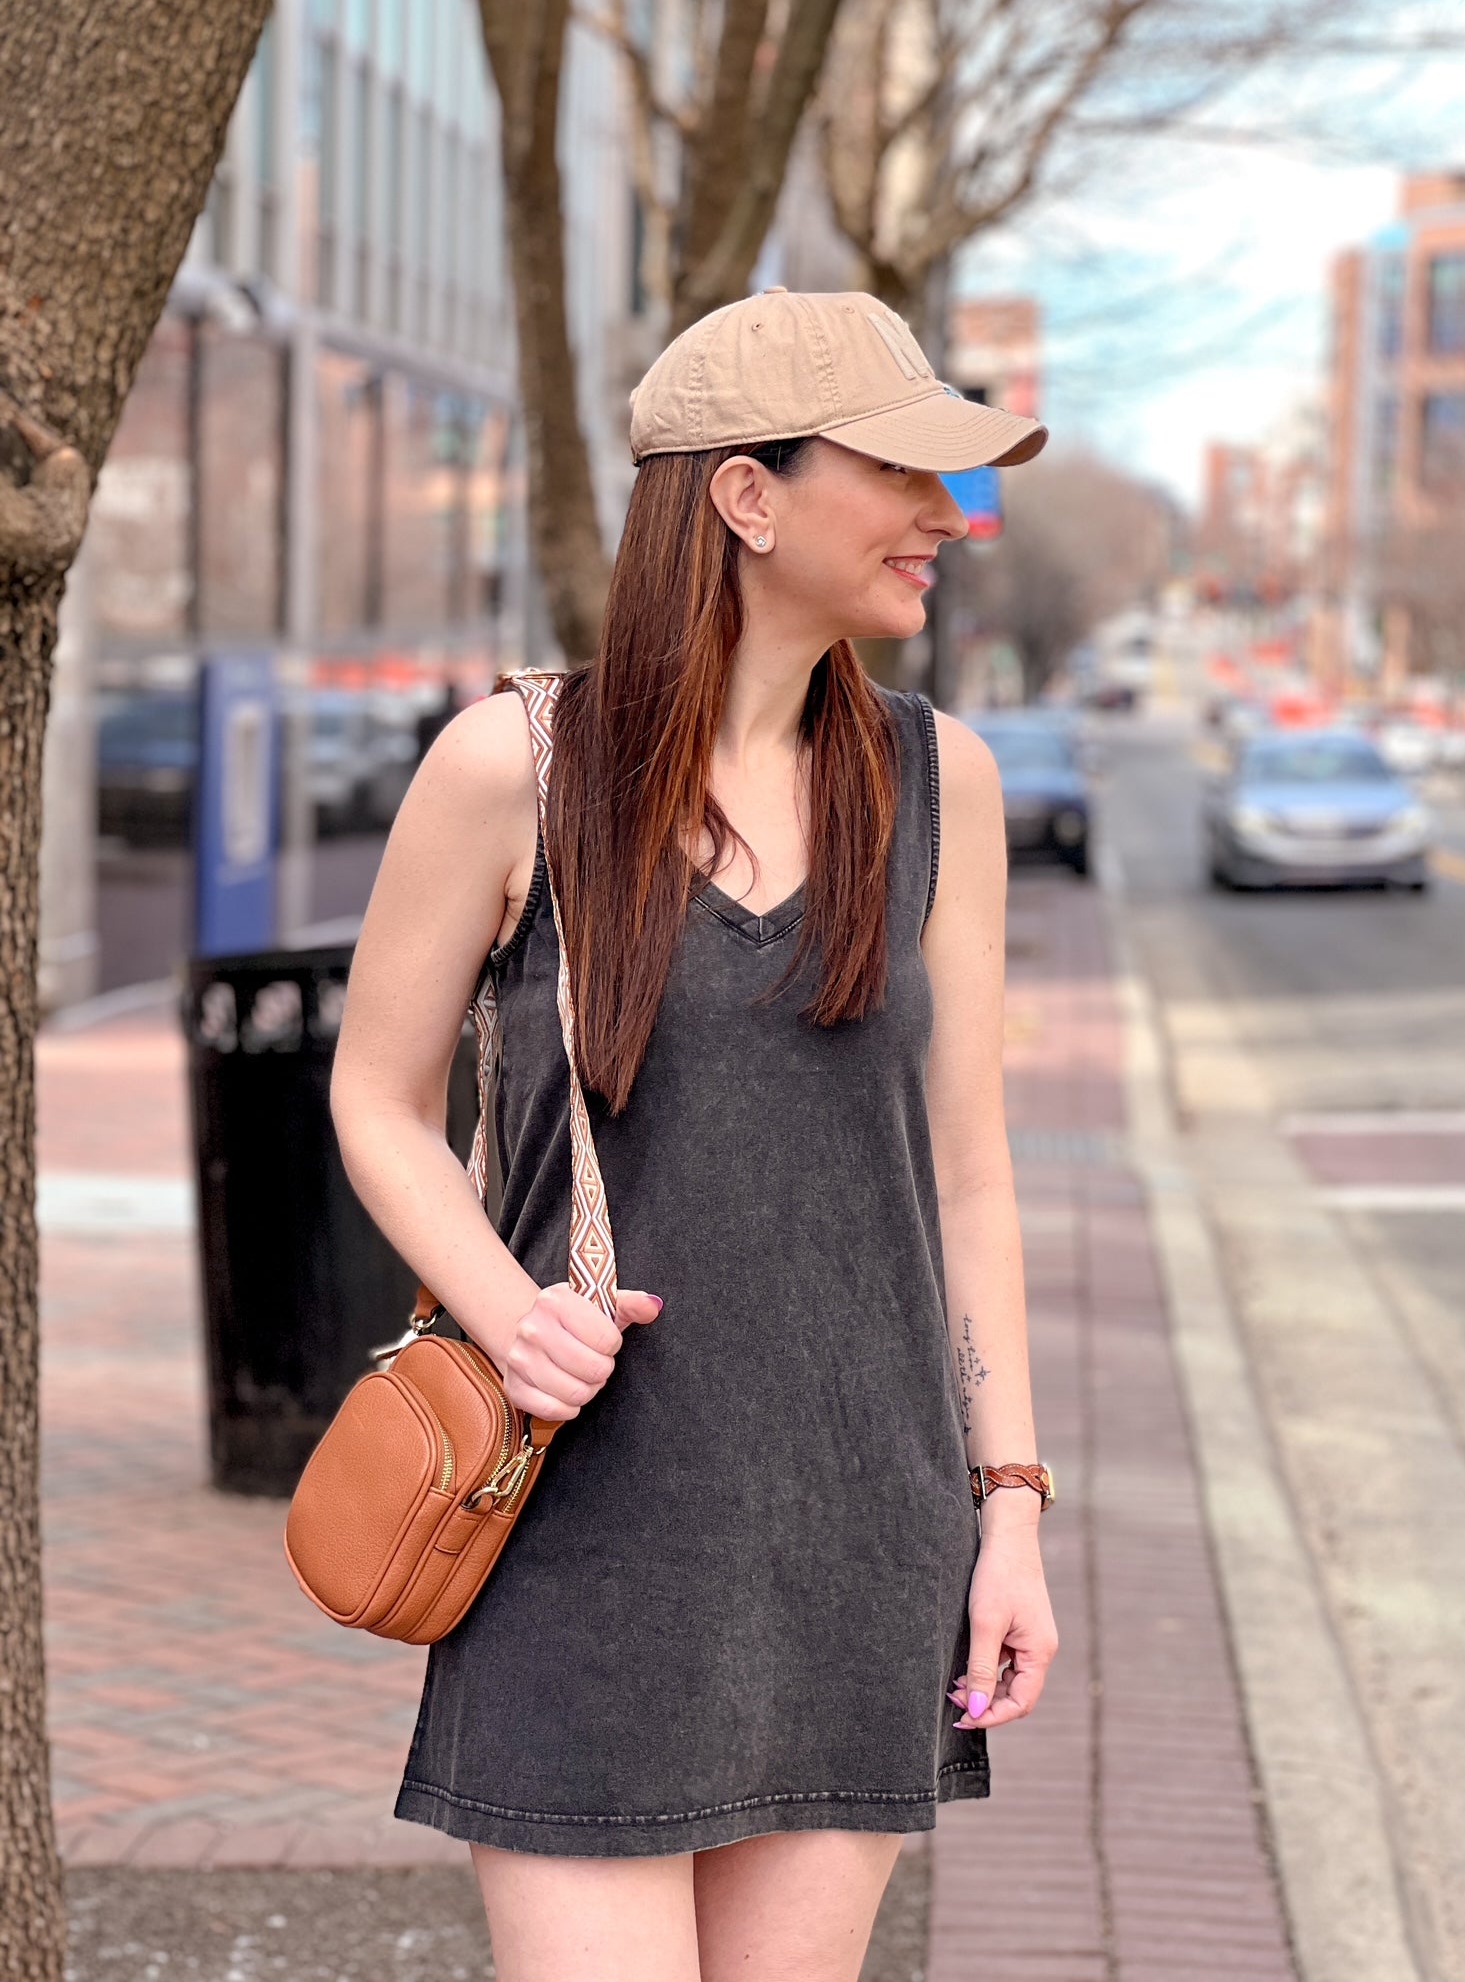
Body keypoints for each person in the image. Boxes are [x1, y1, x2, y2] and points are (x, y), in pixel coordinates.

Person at [330, 289, 1059, 1982]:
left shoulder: (940, 783)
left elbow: (969, 1179)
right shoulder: (512, 769)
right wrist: (504, 1310)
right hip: (587, 1533)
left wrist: (1010, 1510)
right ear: (747, 496)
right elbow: (375, 1095)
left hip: (860, 1536)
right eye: (902, 473)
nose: (947, 516)